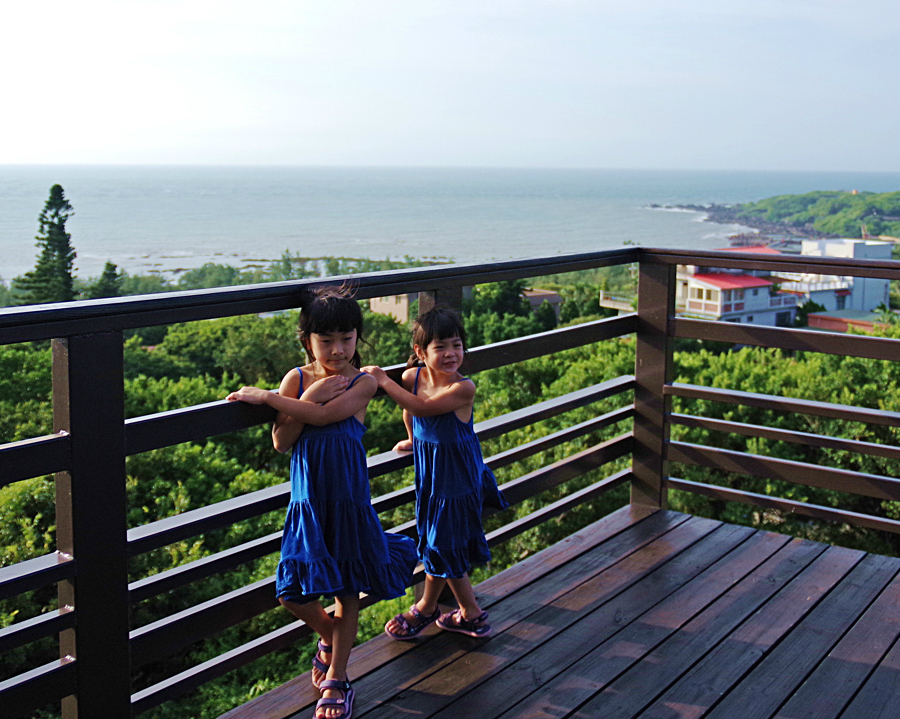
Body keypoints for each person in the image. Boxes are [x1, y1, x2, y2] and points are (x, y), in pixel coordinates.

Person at [227, 285, 416, 719]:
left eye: (347, 338)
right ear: (306, 340)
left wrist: (270, 399)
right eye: (326, 340)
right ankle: (332, 635)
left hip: (348, 500)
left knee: (348, 589)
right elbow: (282, 440)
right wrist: (304, 397)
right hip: (310, 503)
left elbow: (330, 416)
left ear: (358, 337)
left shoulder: (364, 381)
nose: (338, 349)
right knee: (290, 592)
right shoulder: (296, 380)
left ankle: (338, 677)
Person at [363, 305, 507, 641]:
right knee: (438, 539)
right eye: (440, 347)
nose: (450, 354)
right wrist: (414, 441)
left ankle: (460, 612)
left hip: (457, 478)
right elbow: (410, 413)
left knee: (444, 543)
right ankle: (440, 610)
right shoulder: (413, 378)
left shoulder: (463, 388)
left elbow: (423, 408)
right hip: (431, 477)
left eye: (456, 345)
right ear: (420, 352)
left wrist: (382, 379)